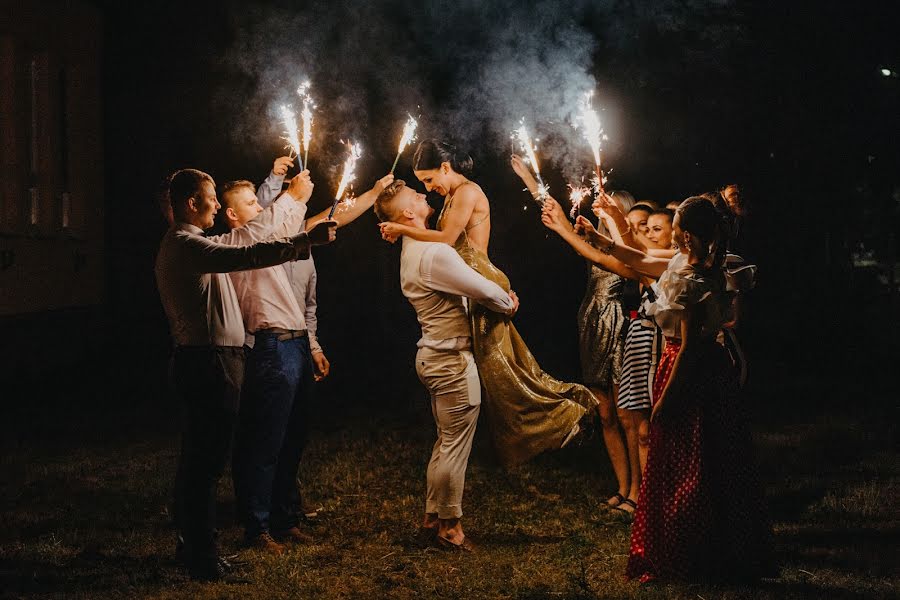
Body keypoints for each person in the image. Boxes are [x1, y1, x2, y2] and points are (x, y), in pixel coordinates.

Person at [575, 196, 771, 583]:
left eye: (680, 229)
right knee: (705, 459)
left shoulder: (698, 277)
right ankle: (709, 550)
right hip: (695, 366)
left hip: (689, 369)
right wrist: (602, 238)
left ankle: (692, 553)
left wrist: (664, 398)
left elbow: (690, 347)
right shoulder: (688, 263)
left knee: (692, 464)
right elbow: (643, 261)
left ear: (694, 234)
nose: (676, 236)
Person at [155, 168, 337, 581]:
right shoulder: (185, 244)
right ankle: (203, 556)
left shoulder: (197, 242)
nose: (216, 205)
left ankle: (196, 548)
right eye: (210, 198)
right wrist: (304, 239)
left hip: (215, 359)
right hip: (206, 361)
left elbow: (246, 242)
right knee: (205, 464)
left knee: (202, 460)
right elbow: (244, 253)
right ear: (191, 203)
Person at [379, 140, 597, 467]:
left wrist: (400, 228)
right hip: (473, 284)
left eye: (428, 180)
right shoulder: (452, 196)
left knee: (503, 372)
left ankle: (564, 418)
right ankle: (545, 424)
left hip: (483, 280)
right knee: (509, 366)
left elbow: (448, 240)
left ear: (445, 167)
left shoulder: (467, 192)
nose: (429, 188)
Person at [221, 162, 393, 554]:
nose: (259, 207)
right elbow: (274, 220)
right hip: (269, 347)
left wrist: (311, 345)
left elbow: (321, 218)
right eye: (250, 203)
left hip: (295, 343)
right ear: (233, 215)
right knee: (264, 441)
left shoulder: (269, 235)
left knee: (292, 438)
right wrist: (290, 193)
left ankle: (285, 518)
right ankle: (257, 528)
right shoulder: (235, 245)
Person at [374, 179, 519, 550]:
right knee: (454, 446)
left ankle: (431, 517)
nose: (424, 196)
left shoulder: (412, 248)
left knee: (445, 442)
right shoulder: (433, 253)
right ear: (408, 213)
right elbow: (485, 291)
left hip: (433, 357)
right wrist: (508, 302)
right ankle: (450, 528)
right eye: (416, 197)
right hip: (451, 361)